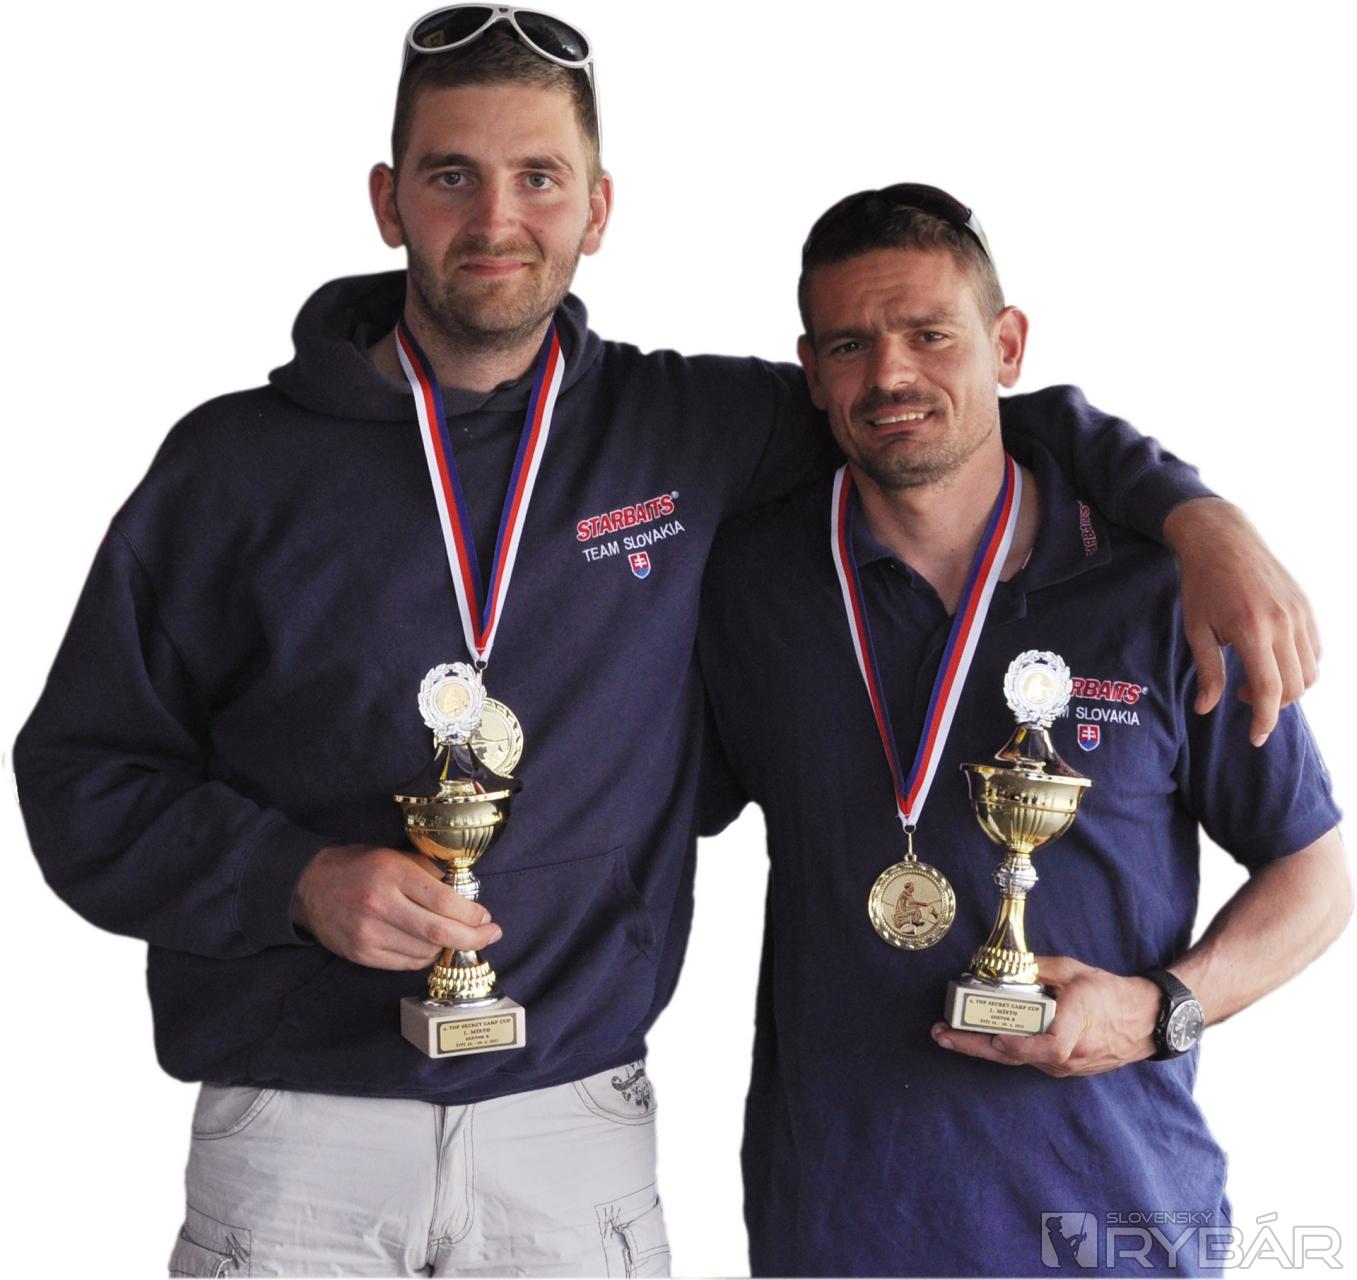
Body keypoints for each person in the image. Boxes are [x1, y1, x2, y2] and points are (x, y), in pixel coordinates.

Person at [11, 8, 1323, 1277]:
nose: (496, 218)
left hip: (571, 1136)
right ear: (386, 199)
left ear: (597, 209)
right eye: (452, 175)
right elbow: (79, 775)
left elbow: (931, 411)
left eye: (539, 177)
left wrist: (1192, 513)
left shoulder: (687, 426)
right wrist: (292, 878)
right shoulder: (229, 468)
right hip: (298, 1134)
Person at [696, 185, 1350, 1276]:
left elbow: (1315, 874)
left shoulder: (1162, 591)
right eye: (850, 345)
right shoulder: (750, 586)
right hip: (840, 1232)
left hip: (1116, 1224)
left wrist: (1161, 1011)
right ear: (811, 372)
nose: (890, 375)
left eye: (930, 335)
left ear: (1006, 346)